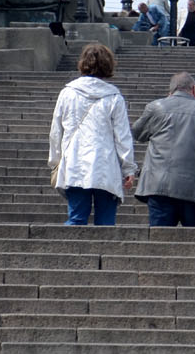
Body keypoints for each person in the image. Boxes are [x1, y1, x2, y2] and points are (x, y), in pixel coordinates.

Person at [48, 42, 136, 226]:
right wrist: (128, 168)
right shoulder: (114, 97)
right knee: (105, 222)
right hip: (105, 165)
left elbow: (56, 131)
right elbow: (122, 136)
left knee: (76, 218)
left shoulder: (67, 93)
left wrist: (55, 161)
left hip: (75, 163)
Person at [133, 70, 195, 227]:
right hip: (194, 191)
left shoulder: (155, 107)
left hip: (158, 188)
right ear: (194, 89)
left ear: (170, 91)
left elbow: (137, 133)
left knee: (159, 244)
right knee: (194, 245)